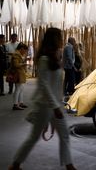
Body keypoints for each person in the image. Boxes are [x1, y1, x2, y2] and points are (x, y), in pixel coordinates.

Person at [8, 28, 77, 170]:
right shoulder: (44, 59)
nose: (61, 40)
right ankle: (15, 164)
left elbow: (55, 85)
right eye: (59, 37)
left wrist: (59, 104)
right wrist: (55, 107)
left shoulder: (55, 57)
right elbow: (44, 85)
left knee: (64, 135)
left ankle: (69, 165)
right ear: (53, 39)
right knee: (34, 137)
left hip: (55, 104)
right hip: (45, 105)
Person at [11, 43, 29, 110]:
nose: (25, 52)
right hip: (17, 74)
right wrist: (23, 64)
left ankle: (20, 103)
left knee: (21, 89)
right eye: (25, 50)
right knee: (18, 89)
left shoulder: (19, 54)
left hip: (20, 73)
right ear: (21, 48)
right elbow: (15, 65)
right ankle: (15, 104)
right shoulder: (16, 54)